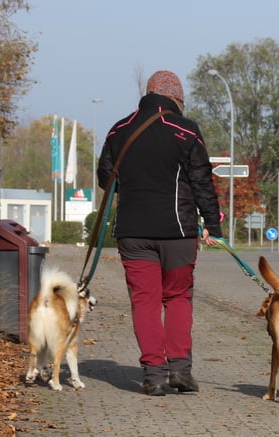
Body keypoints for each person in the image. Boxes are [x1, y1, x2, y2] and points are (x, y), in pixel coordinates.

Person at [96, 70, 223, 396]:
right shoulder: (187, 130)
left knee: (145, 301)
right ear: (176, 99)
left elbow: (105, 177)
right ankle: (180, 370)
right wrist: (213, 224)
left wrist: (135, 185)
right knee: (178, 297)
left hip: (133, 233)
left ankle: (154, 375)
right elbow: (202, 182)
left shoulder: (119, 129)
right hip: (178, 232)